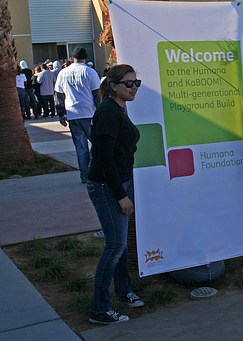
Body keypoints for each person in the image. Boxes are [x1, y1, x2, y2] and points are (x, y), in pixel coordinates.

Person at [87, 64, 143, 324]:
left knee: (119, 244)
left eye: (136, 83)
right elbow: (105, 159)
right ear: (113, 86)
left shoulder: (119, 108)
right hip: (106, 187)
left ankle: (124, 291)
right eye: (128, 84)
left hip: (119, 183)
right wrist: (121, 194)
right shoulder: (108, 112)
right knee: (115, 245)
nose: (134, 88)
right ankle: (99, 308)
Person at [55, 47, 101, 183]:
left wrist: (60, 114)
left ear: (72, 58)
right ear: (85, 58)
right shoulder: (90, 72)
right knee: (96, 144)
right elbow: (97, 95)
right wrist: (100, 112)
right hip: (89, 113)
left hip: (72, 114)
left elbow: (58, 95)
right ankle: (94, 172)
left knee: (80, 147)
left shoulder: (63, 73)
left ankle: (84, 176)